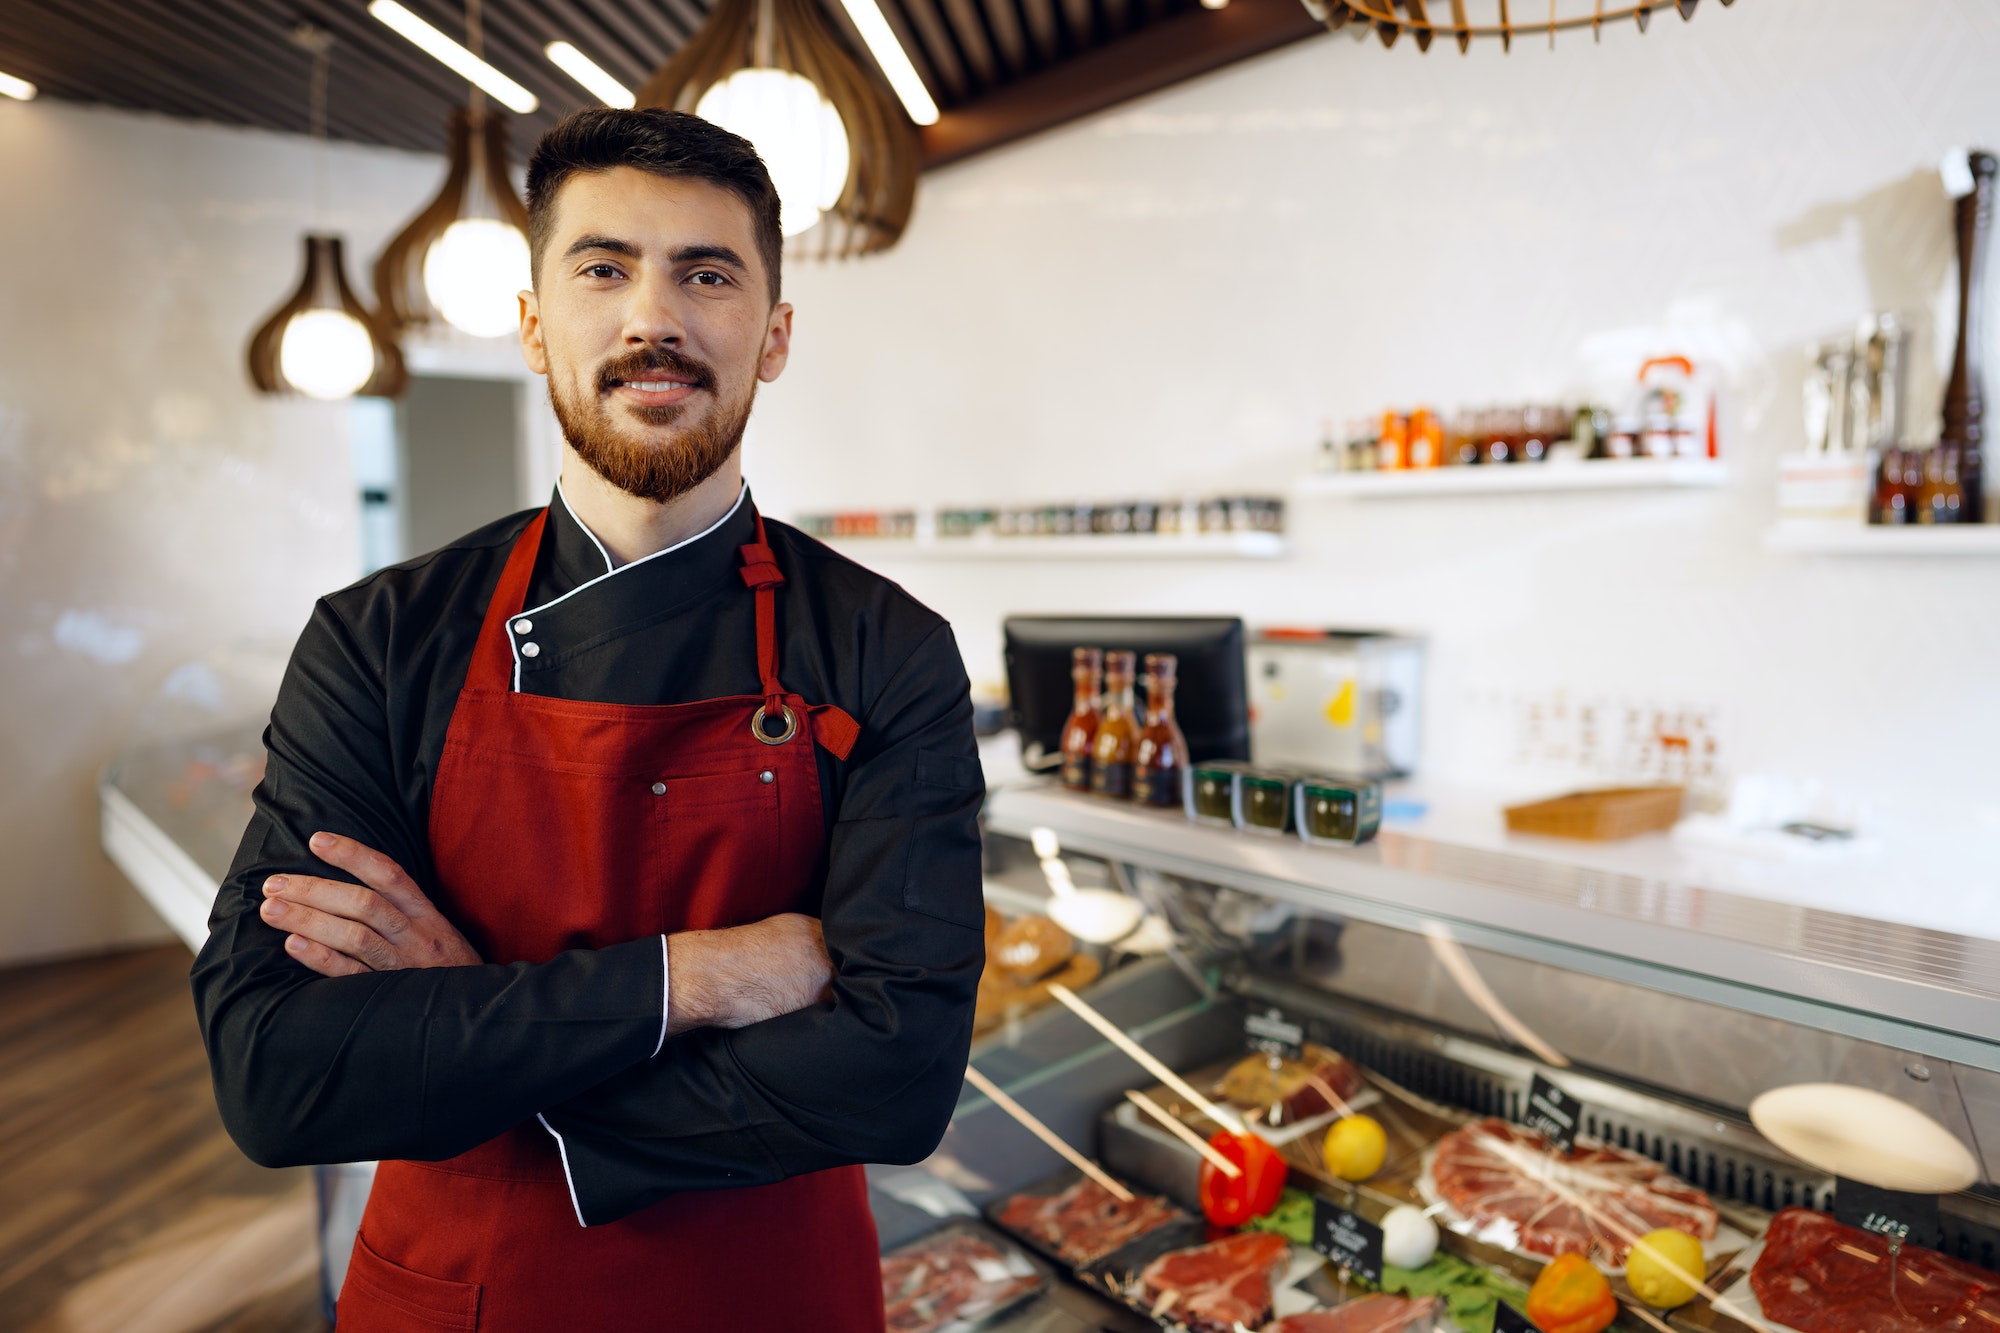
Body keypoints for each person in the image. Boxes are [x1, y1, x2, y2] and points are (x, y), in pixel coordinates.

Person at [191, 108, 985, 1332]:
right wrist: (703, 976)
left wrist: (479, 1024)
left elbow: (897, 1078)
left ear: (772, 336)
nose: (651, 319)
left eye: (705, 274)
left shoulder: (886, 646)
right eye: (603, 268)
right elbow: (276, 1072)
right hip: (464, 1290)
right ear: (532, 324)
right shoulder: (379, 637)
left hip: (773, 1295)